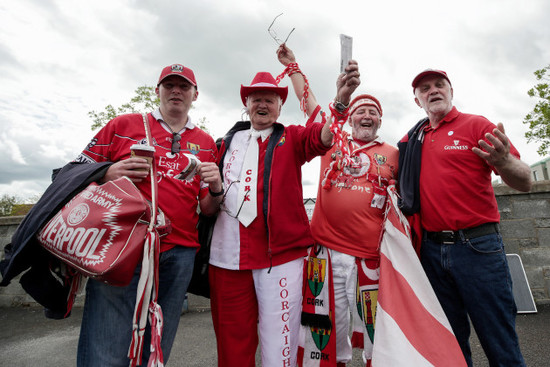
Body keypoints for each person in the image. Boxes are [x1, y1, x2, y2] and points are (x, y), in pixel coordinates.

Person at [208, 45, 360, 367]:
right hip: (227, 258)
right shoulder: (222, 144)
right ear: (246, 104)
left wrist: (341, 100)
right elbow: (206, 203)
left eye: (270, 98)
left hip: (281, 258)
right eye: (256, 98)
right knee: (232, 344)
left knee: (282, 344)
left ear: (279, 106)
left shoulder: (291, 138)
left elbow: (326, 133)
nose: (262, 103)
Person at [73, 64, 222, 366]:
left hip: (178, 253)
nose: (176, 91)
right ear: (158, 91)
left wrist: (217, 187)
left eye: (183, 86)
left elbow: (207, 208)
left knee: (155, 342)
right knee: (106, 338)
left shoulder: (206, 143)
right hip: (122, 246)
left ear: (195, 95)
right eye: (169, 85)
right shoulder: (123, 125)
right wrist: (107, 172)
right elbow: (71, 172)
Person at [398, 69, 532, 367]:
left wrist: (505, 160)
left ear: (451, 90)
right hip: (431, 253)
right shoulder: (412, 139)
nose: (432, 90)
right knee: (449, 345)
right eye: (424, 88)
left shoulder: (476, 125)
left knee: (499, 339)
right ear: (417, 100)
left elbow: (525, 181)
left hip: (478, 248)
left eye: (439, 85)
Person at [281, 44, 398, 366]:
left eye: (373, 111)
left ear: (380, 119)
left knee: (377, 333)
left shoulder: (393, 153)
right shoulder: (332, 139)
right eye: (361, 110)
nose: (366, 115)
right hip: (326, 254)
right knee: (326, 332)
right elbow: (309, 103)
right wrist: (292, 65)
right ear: (350, 118)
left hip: (370, 258)